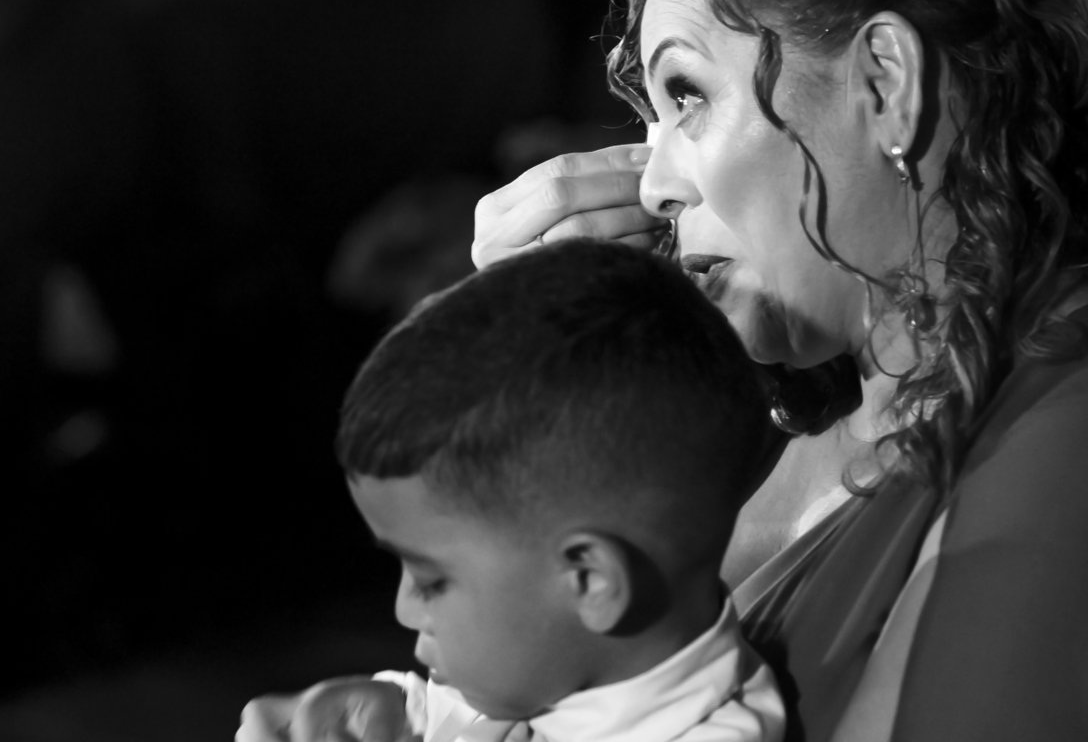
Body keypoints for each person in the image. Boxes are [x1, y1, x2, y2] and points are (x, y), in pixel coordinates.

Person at [239, 0, 1088, 740]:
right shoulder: (789, 397)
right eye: (651, 117)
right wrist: (553, 392)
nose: (655, 184)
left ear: (885, 82)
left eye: (688, 95)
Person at [321, 238, 786, 742]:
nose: (403, 610)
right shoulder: (539, 670)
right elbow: (441, 711)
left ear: (589, 580)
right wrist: (388, 708)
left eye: (431, 581)